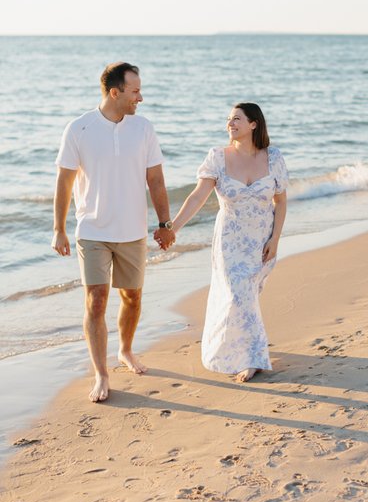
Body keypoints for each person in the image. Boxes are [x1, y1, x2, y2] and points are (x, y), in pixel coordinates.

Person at [52, 62, 175, 403]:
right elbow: (64, 181)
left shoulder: (143, 128)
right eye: (135, 91)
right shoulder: (79, 128)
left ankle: (125, 350)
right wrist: (58, 229)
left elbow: (156, 180)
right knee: (96, 300)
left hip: (133, 230)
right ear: (115, 92)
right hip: (92, 230)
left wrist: (165, 224)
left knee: (132, 297)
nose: (141, 97)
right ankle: (101, 374)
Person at [171, 103, 288, 382]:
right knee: (237, 294)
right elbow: (198, 197)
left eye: (237, 119)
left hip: (261, 238)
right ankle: (253, 357)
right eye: (228, 120)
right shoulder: (217, 158)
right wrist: (172, 227)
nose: (230, 124)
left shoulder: (273, 157)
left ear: (253, 125)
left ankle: (243, 347)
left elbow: (280, 201)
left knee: (247, 295)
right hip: (230, 241)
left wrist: (275, 239)